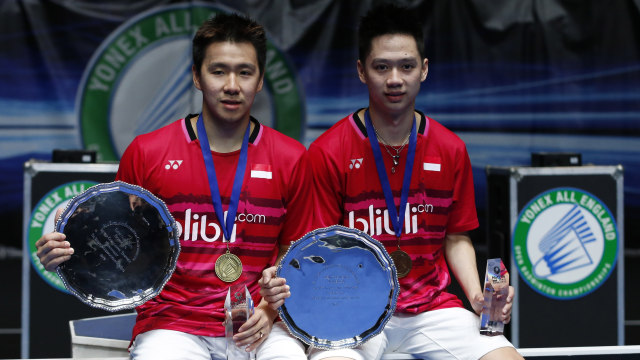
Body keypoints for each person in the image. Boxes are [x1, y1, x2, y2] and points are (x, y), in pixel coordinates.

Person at [35, 12, 310, 360]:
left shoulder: (292, 157)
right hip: (172, 324)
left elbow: (295, 249)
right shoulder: (148, 153)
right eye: (218, 70)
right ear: (197, 76)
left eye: (244, 72)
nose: (231, 85)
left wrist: (269, 311)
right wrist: (66, 252)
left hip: (261, 321)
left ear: (259, 80)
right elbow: (120, 247)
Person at [261, 4, 524, 360]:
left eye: (407, 66)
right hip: (352, 308)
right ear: (361, 71)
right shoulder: (328, 151)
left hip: (431, 309)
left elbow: (456, 236)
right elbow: (317, 248)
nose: (395, 79)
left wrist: (478, 296)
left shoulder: (450, 148)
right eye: (381, 67)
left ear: (424, 70)